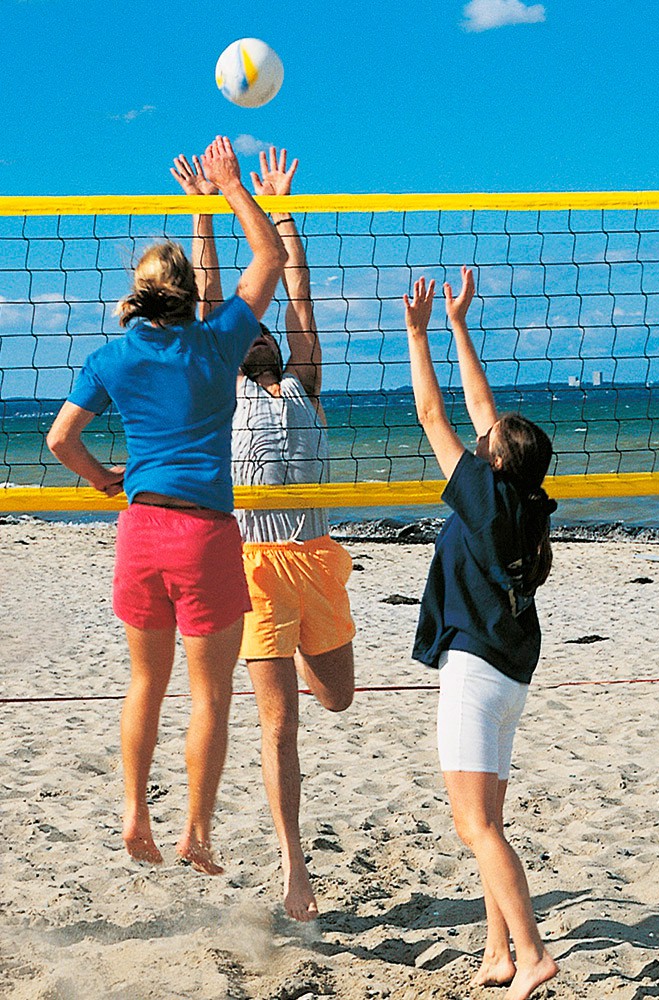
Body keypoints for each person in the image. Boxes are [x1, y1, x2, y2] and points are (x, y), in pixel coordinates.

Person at [46, 136, 287, 875]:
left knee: (144, 684)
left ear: (139, 289)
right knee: (209, 693)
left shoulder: (112, 356)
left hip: (141, 531)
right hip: (205, 536)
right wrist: (230, 188)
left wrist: (102, 479)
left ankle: (131, 809)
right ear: (189, 293)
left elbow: (60, 441)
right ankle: (196, 832)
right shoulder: (218, 345)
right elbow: (270, 260)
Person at [172, 146, 356, 921]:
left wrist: (281, 208)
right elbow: (212, 292)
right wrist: (210, 205)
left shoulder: (303, 380)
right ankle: (293, 869)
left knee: (338, 700)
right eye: (244, 335)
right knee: (279, 724)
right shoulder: (219, 383)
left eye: (264, 336)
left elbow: (300, 293)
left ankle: (292, 669)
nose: (257, 340)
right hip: (253, 567)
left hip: (317, 558)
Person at [402, 267, 560, 1000]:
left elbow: (435, 414)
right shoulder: (526, 497)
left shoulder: (488, 501)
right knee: (489, 820)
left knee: (475, 828)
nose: (482, 433)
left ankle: (530, 953)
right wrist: (460, 324)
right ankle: (498, 950)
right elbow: (480, 408)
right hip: (511, 675)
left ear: (494, 460)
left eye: (488, 441)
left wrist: (417, 335)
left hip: (474, 674)